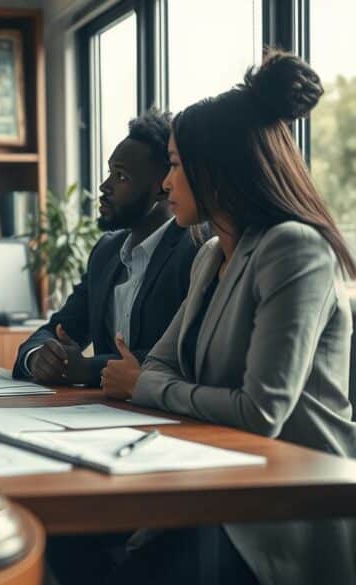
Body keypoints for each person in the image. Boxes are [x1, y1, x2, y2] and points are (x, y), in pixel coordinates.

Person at [102, 50, 356, 585]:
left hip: (289, 503)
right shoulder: (210, 255)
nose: (166, 184)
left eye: (173, 164)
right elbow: (164, 364)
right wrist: (154, 380)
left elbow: (260, 412)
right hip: (218, 475)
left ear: (214, 168)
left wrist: (146, 385)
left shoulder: (294, 250)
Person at [13, 109, 201, 387]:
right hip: (105, 413)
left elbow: (183, 353)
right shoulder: (107, 252)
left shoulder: (194, 250)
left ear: (164, 187)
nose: (104, 187)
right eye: (109, 172)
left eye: (121, 177)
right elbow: (59, 328)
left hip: (170, 414)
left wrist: (90, 369)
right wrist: (40, 356)